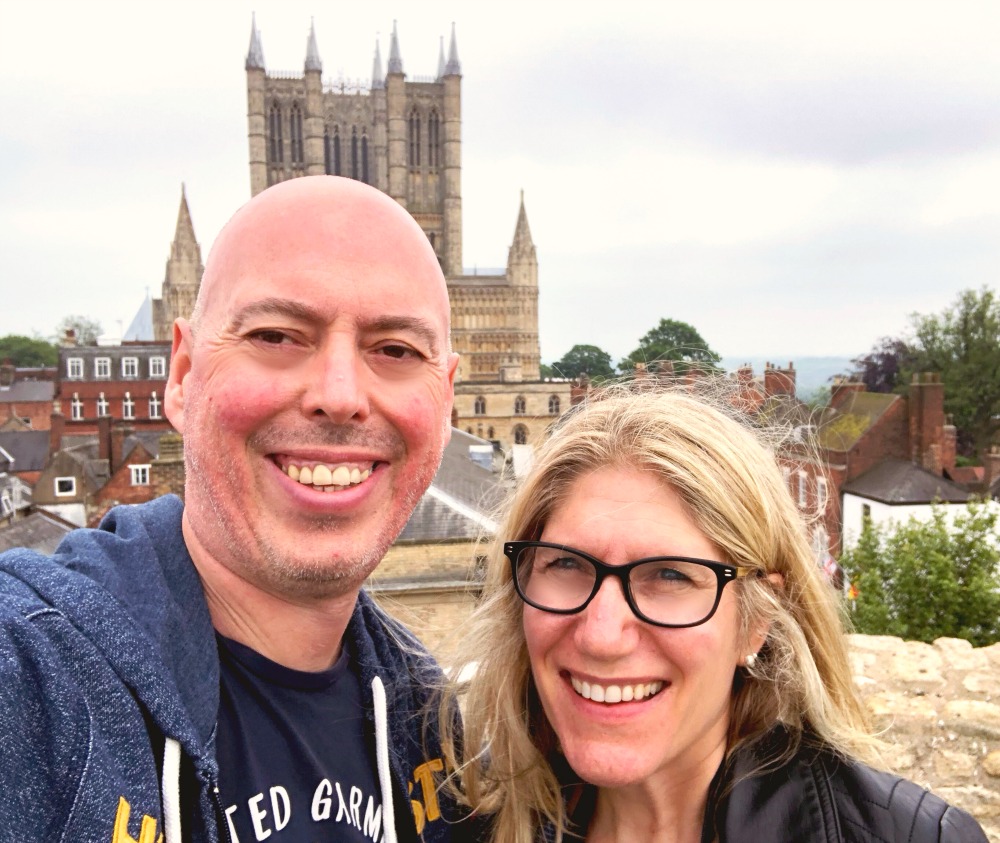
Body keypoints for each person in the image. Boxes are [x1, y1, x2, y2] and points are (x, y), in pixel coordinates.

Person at [0, 176, 470, 842]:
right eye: (277, 335)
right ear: (183, 376)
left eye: (395, 349)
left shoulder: (430, 724)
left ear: (447, 402)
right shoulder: (31, 675)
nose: (339, 395)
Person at [439, 383, 988, 843]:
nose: (602, 635)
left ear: (755, 620)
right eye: (565, 565)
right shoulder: (460, 822)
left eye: (671, 576)